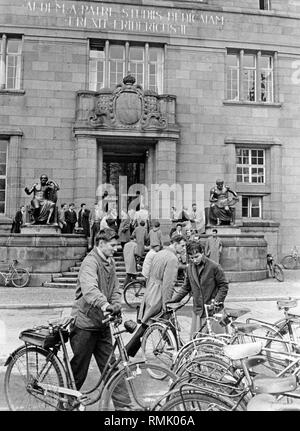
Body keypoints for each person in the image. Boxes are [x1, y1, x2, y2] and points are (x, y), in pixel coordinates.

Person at [69, 229, 129, 409]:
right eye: (113, 245)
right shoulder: (90, 262)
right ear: (101, 244)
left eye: (117, 244)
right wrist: (106, 305)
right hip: (85, 325)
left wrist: (116, 305)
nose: (116, 248)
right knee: (79, 371)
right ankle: (64, 404)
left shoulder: (109, 262)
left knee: (111, 367)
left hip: (102, 323)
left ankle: (124, 407)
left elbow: (115, 289)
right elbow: (89, 290)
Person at [125, 235, 186, 357]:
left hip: (151, 290)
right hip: (159, 293)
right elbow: (169, 283)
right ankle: (178, 350)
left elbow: (149, 273)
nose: (184, 248)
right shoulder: (172, 258)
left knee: (152, 322)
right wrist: (167, 303)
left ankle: (177, 348)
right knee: (157, 321)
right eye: (182, 245)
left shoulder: (159, 253)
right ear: (175, 243)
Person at [168, 241, 229, 340]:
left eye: (197, 256)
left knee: (217, 341)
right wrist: (175, 299)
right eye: (192, 258)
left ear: (203, 253)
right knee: (198, 342)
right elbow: (186, 287)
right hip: (198, 310)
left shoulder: (214, 267)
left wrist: (216, 301)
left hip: (213, 310)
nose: (194, 260)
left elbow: (224, 286)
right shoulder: (189, 268)